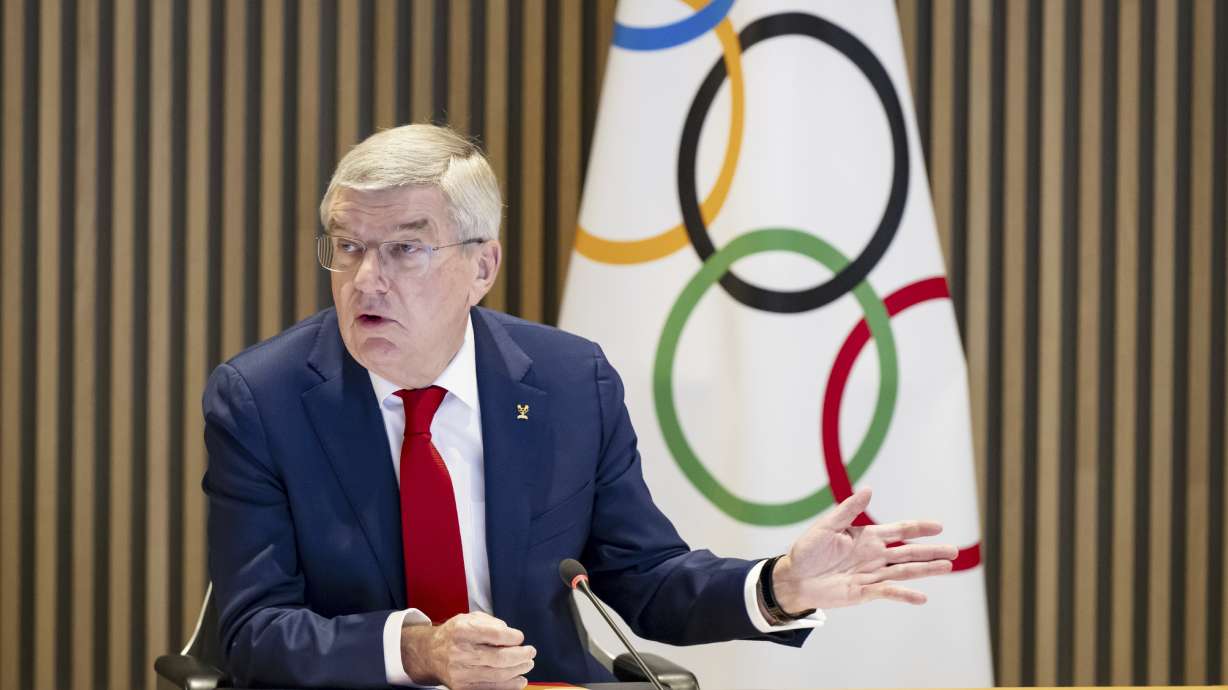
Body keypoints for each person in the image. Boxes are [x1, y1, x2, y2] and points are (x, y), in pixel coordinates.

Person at [203, 124, 958, 689]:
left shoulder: (570, 382)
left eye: (404, 248)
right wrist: (419, 650)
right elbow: (253, 632)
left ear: (481, 266)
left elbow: (644, 577)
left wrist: (777, 586)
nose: (367, 279)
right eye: (348, 247)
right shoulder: (263, 400)